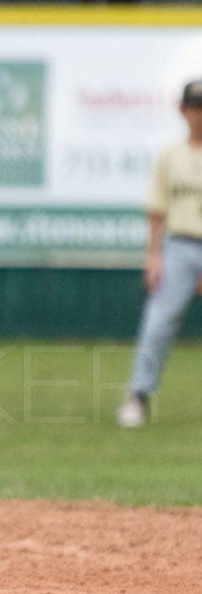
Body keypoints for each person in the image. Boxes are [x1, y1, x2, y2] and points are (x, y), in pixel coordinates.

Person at [117, 78, 202, 428]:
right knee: (158, 323)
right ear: (182, 111)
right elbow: (157, 210)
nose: (199, 115)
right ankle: (138, 396)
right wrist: (153, 256)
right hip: (180, 246)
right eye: (194, 108)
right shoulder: (171, 155)